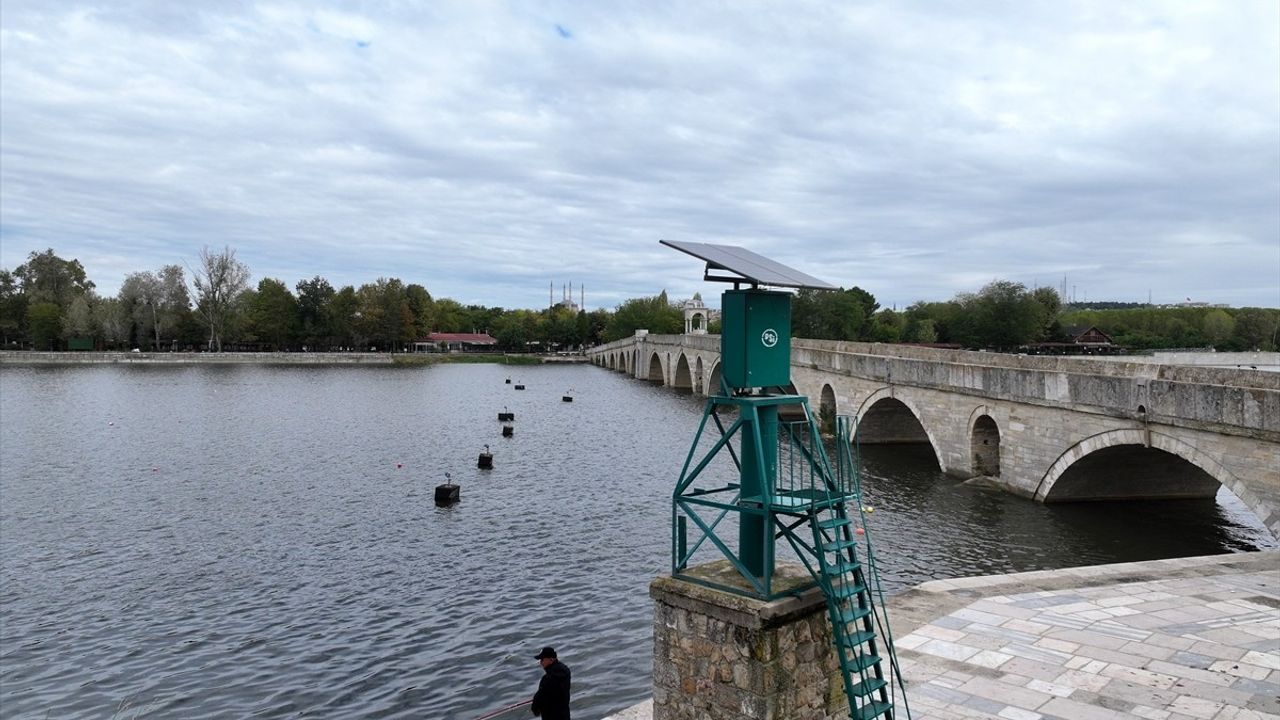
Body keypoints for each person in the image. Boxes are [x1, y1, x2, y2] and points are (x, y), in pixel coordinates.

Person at [530, 646, 571, 719]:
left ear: (551, 660)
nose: (540, 662)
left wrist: (535, 708)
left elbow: (539, 698)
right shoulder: (566, 671)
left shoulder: (547, 679)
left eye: (542, 659)